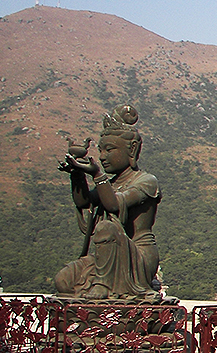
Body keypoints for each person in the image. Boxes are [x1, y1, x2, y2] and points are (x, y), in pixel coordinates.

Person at [55, 105, 162, 301]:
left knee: (106, 227)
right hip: (105, 256)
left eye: (109, 150)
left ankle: (103, 285)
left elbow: (113, 205)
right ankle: (99, 286)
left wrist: (97, 175)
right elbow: (84, 202)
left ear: (132, 150)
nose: (103, 157)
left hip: (137, 257)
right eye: (100, 150)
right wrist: (77, 175)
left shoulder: (146, 181)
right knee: (64, 281)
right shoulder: (110, 184)